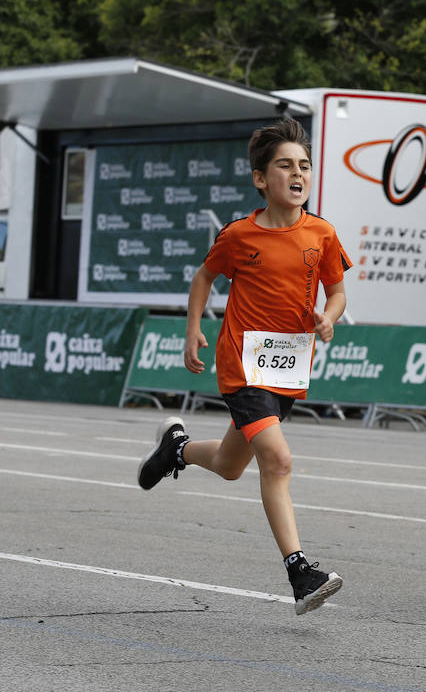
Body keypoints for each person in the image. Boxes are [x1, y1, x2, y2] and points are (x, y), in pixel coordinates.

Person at [137, 118, 352, 615]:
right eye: (285, 165)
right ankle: (301, 572)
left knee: (232, 466)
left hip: (288, 372)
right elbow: (204, 276)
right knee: (277, 460)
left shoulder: (322, 233)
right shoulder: (239, 235)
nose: (297, 174)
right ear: (261, 178)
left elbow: (337, 291)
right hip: (242, 366)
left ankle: (178, 447)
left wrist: (328, 318)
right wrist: (193, 328)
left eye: (305, 166)